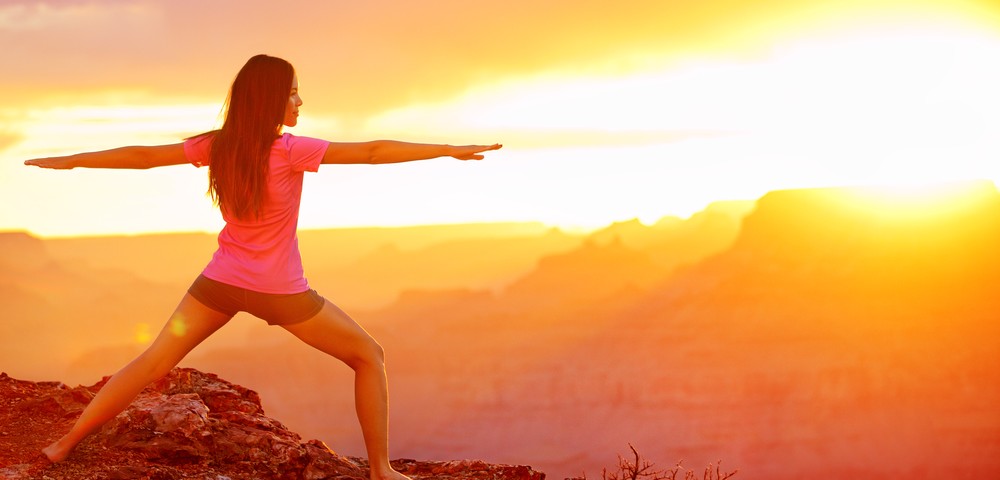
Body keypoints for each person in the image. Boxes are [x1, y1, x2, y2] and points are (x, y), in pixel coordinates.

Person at [24, 54, 501, 480]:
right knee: (369, 356)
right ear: (271, 98)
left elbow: (144, 158)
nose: (300, 101)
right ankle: (381, 471)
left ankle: (62, 445)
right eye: (293, 91)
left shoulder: (217, 145)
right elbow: (373, 152)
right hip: (281, 293)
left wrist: (70, 162)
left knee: (152, 362)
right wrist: (446, 148)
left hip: (219, 284)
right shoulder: (290, 149)